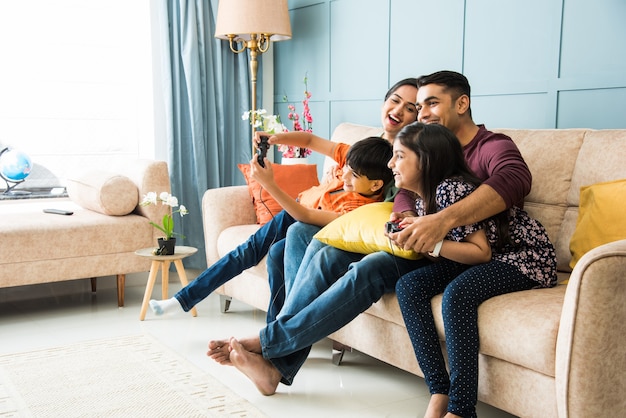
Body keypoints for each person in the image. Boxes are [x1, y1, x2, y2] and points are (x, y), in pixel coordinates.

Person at [207, 70, 534, 396]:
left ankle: (268, 343)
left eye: (430, 104)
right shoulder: (423, 142)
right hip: (417, 244)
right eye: (419, 107)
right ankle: (276, 364)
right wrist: (405, 219)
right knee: (320, 250)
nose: (422, 114)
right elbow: (405, 194)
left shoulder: (491, 146)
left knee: (369, 268)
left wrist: (441, 221)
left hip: (450, 252)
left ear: (462, 104)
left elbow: (515, 180)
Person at [149, 77, 418, 320]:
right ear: (385, 102)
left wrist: (271, 184)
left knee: (251, 250)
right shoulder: (362, 148)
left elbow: (320, 217)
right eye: (395, 101)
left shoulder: (397, 165)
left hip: (316, 221)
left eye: (410, 108)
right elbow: (311, 141)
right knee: (269, 251)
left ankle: (187, 300)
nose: (398, 110)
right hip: (305, 210)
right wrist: (275, 139)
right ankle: (273, 329)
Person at [389, 122, 556, 418]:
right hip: (485, 258)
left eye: (400, 156)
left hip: (522, 258)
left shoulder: (451, 189)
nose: (392, 164)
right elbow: (450, 249)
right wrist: (414, 238)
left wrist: (432, 245)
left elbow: (481, 253)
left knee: (458, 294)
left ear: (426, 160)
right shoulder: (421, 199)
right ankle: (439, 390)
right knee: (409, 287)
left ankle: (461, 409)